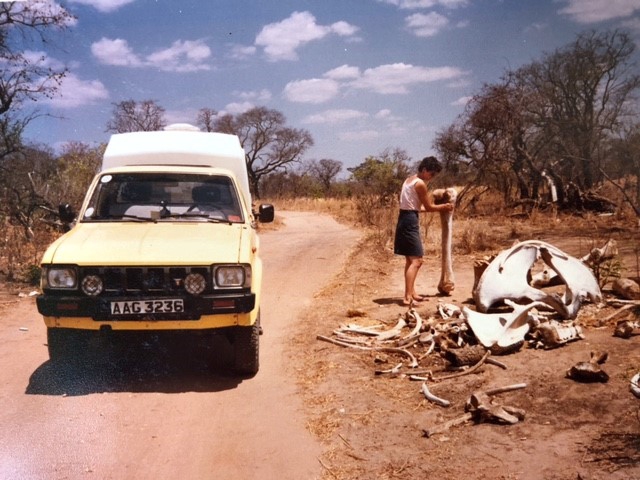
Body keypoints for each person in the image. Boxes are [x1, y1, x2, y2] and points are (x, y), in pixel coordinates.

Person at [394, 156, 454, 305]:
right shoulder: (420, 184)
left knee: (410, 260)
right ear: (424, 169)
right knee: (417, 260)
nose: (431, 177)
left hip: (405, 218)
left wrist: (436, 208)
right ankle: (407, 296)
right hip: (409, 221)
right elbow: (429, 207)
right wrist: (445, 207)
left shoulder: (409, 180)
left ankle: (411, 292)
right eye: (431, 174)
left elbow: (415, 207)